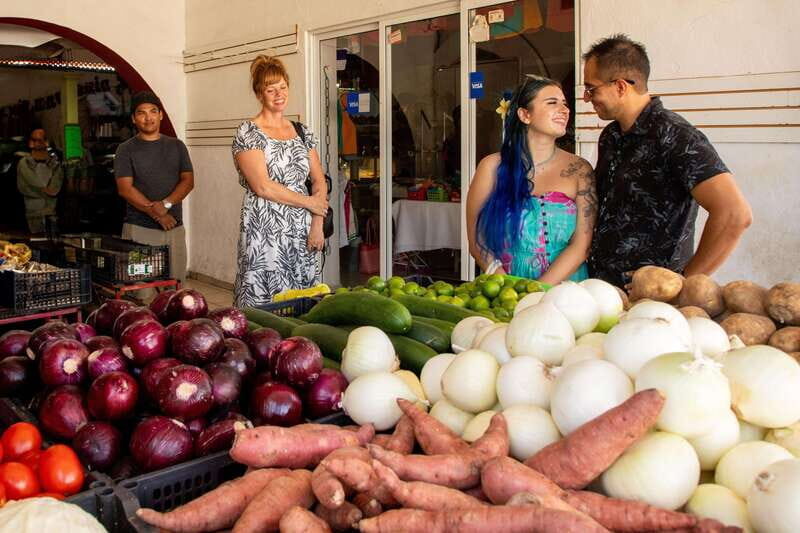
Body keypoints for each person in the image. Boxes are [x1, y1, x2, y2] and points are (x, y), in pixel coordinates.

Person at [583, 34, 752, 287]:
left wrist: (683, 283)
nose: (586, 97)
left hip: (652, 299)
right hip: (602, 287)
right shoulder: (611, 136)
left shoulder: (676, 135)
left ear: (620, 86)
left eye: (591, 88)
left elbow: (734, 214)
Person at [467, 75, 596, 284]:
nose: (565, 110)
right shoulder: (491, 167)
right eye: (552, 103)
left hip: (565, 293)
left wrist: (536, 292)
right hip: (504, 290)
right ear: (525, 114)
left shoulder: (579, 170)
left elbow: (581, 246)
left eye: (564, 103)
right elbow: (477, 240)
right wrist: (507, 287)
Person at [231, 55, 328, 307]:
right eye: (270, 89)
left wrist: (317, 223)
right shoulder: (248, 132)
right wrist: (309, 203)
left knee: (303, 298)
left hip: (302, 228)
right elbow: (262, 186)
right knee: (264, 299)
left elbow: (319, 180)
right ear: (259, 94)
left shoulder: (302, 131)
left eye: (283, 87)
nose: (278, 94)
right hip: (265, 228)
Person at [114, 91, 194, 282]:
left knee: (175, 287)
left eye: (153, 111)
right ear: (134, 118)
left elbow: (188, 181)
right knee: (140, 288)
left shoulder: (177, 146)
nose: (148, 117)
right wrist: (158, 214)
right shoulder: (125, 149)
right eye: (141, 113)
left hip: (174, 229)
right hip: (139, 232)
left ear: (161, 115)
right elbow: (125, 189)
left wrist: (166, 204)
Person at [16, 128, 63, 236]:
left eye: (40, 140)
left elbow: (55, 186)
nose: (37, 143)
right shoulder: (24, 163)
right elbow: (25, 185)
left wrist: (49, 192)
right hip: (32, 213)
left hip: (52, 214)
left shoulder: (55, 164)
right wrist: (43, 191)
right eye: (34, 140)